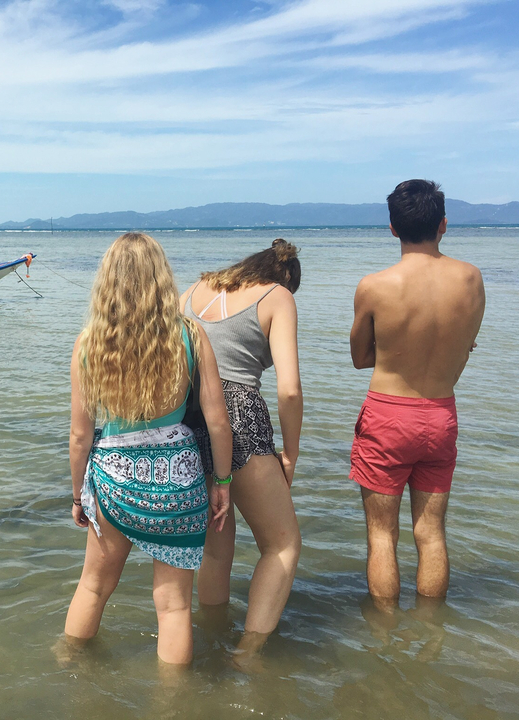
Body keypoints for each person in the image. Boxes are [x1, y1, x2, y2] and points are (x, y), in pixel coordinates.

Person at [63, 232, 234, 665]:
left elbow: (81, 436)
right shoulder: (190, 336)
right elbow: (218, 421)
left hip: (115, 479)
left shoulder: (89, 343)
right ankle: (173, 698)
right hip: (179, 480)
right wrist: (223, 482)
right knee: (174, 607)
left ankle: (68, 670)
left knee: (93, 587)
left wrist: (78, 494)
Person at [349, 179, 485, 601]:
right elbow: (464, 347)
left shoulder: (375, 286)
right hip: (441, 414)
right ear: (443, 224)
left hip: (388, 415)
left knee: (382, 535)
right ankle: (431, 629)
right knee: (431, 533)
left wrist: (395, 349)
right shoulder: (471, 279)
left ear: (392, 228)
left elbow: (360, 357)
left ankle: (384, 632)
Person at [180, 239, 303, 658]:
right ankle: (247, 657)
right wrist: (290, 454)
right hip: (238, 415)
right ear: (285, 278)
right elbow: (289, 390)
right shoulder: (278, 296)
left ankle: (210, 638)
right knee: (283, 545)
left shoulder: (193, 291)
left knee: (216, 545)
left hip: (189, 417)